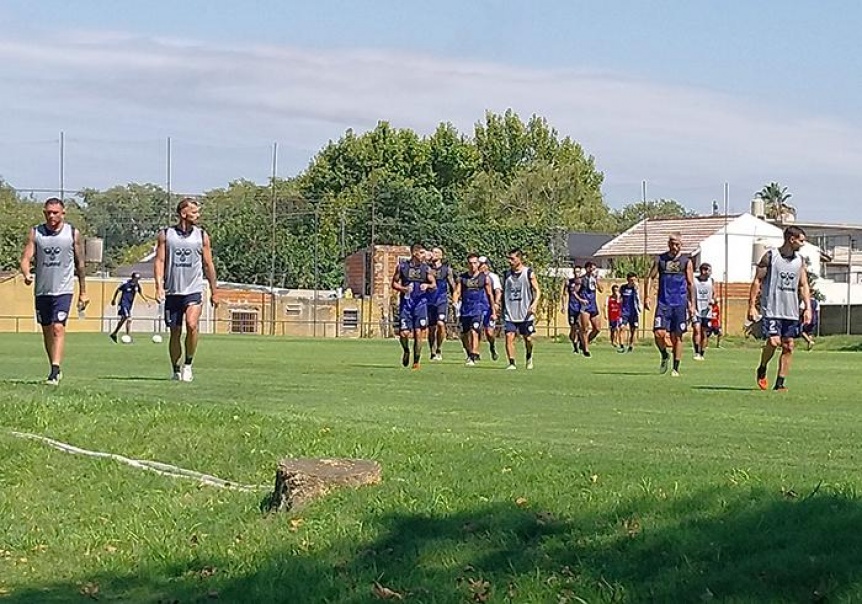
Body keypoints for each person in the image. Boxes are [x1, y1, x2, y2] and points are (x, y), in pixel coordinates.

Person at [19, 197, 89, 385]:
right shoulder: (36, 233)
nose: (51, 216)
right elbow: (25, 258)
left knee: (58, 327)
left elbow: (80, 264)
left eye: (55, 212)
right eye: (48, 212)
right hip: (42, 290)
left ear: (63, 213)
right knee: (47, 329)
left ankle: (55, 370)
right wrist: (26, 274)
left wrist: (83, 291)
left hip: (63, 289)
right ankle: (53, 366)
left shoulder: (72, 233)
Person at [154, 197, 220, 382]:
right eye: (194, 212)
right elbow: (159, 261)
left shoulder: (201, 236)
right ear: (183, 213)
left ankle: (188, 364)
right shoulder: (166, 235)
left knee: (192, 325)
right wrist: (159, 286)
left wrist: (215, 291)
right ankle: (175, 368)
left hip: (193, 289)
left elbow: (208, 264)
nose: (197, 215)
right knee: (175, 331)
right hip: (173, 291)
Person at [748, 226, 812, 391]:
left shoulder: (800, 261)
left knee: (788, 345)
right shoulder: (770, 257)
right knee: (774, 342)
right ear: (792, 239)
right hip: (772, 309)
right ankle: (762, 367)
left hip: (791, 311)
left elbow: (804, 285)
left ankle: (780, 383)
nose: (803, 244)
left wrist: (807, 308)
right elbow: (757, 281)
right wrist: (752, 306)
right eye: (801, 240)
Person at [644, 233, 695, 377]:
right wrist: (647, 296)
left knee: (677, 336)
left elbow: (691, 284)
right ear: (668, 244)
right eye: (672, 244)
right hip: (663, 302)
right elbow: (650, 277)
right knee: (659, 333)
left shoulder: (686, 261)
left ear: (681, 245)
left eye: (677, 244)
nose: (675, 247)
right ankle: (664, 354)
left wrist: (692, 305)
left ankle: (676, 368)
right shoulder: (660, 259)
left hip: (680, 303)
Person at [390, 243, 436, 369]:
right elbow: (394, 283)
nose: (424, 256)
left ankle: (416, 361)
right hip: (406, 304)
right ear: (415, 254)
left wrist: (427, 286)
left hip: (421, 304)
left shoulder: (426, 269)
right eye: (421, 253)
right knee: (404, 333)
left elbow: (433, 284)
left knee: (418, 333)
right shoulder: (402, 267)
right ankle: (406, 350)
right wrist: (403, 289)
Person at [452, 253, 495, 366]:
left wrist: (493, 310)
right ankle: (469, 352)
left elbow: (490, 295)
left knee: (474, 330)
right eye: (470, 263)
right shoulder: (463, 278)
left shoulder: (484, 278)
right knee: (464, 334)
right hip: (465, 309)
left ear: (478, 264)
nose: (472, 265)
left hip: (478, 308)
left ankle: (473, 356)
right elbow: (457, 291)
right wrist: (455, 303)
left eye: (475, 263)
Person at [502, 248, 541, 370]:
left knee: (528, 338)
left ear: (519, 259)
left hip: (525, 313)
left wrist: (534, 304)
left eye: (512, 259)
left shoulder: (528, 273)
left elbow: (537, 291)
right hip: (510, 312)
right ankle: (512, 362)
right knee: (509, 336)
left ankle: (529, 356)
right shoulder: (506, 274)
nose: (510, 261)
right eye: (509, 258)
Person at [427, 246, 455, 361]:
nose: (434, 254)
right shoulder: (426, 268)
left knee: (441, 324)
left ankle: (439, 348)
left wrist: (455, 298)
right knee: (431, 328)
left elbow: (452, 284)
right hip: (429, 301)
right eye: (433, 252)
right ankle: (432, 350)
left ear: (441, 256)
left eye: (437, 252)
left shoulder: (446, 269)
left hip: (441, 300)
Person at [109, 272, 152, 342]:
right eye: (136, 278)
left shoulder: (137, 286)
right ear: (133, 278)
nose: (137, 280)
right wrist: (113, 299)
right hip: (123, 303)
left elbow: (141, 293)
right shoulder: (125, 283)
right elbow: (117, 290)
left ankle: (116, 333)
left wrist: (147, 301)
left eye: (138, 279)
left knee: (128, 320)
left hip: (129, 305)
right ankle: (119, 334)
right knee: (127, 317)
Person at [577, 261, 603, 357]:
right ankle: (586, 349)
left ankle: (584, 342)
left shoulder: (594, 279)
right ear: (587, 268)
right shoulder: (581, 279)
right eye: (592, 268)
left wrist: (597, 280)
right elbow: (574, 292)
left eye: (594, 269)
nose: (593, 271)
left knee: (597, 328)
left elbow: (601, 290)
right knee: (585, 328)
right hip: (585, 306)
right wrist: (580, 300)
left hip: (593, 305)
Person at [479, 256, 503, 361]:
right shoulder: (474, 277)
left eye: (482, 264)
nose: (480, 267)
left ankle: (492, 347)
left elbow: (498, 291)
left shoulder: (493, 277)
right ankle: (474, 353)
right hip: (476, 307)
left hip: (489, 307)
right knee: (474, 330)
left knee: (489, 332)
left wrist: (496, 304)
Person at [692, 263, 715, 361]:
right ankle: (696, 352)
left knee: (704, 333)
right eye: (704, 269)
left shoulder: (711, 281)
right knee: (697, 329)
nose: (706, 272)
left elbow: (715, 294)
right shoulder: (694, 281)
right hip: (696, 310)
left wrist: (714, 300)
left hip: (707, 311)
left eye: (708, 270)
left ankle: (702, 353)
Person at [561, 265, 584, 354]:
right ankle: (575, 345)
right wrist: (563, 306)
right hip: (572, 307)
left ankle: (579, 344)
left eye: (578, 272)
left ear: (580, 272)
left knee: (580, 327)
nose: (576, 273)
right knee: (573, 328)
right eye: (575, 272)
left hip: (581, 308)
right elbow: (564, 294)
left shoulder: (583, 282)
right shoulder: (569, 282)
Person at [618, 272, 640, 352]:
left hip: (634, 312)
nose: (633, 281)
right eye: (631, 280)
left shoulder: (636, 288)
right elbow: (619, 297)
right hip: (624, 312)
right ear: (628, 280)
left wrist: (636, 288)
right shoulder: (623, 288)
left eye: (634, 280)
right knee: (622, 328)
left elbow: (638, 297)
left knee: (633, 330)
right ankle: (622, 346)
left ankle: (631, 346)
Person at [606, 284, 623, 351]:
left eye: (617, 290)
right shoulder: (609, 297)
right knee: (612, 329)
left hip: (618, 315)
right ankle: (612, 341)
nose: (615, 291)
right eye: (614, 290)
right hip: (611, 315)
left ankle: (617, 341)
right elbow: (606, 306)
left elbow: (620, 303)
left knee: (618, 328)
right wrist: (605, 314)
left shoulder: (620, 298)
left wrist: (618, 296)